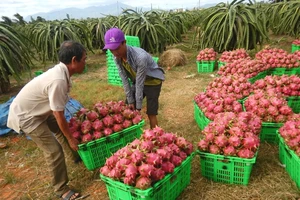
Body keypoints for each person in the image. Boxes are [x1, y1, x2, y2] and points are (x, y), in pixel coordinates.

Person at [7, 40, 86, 200]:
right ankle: (61, 189)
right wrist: (71, 138)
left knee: (61, 130)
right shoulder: (58, 80)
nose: (86, 62)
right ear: (73, 61)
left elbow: (59, 111)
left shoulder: (62, 72)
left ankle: (76, 157)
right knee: (53, 150)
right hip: (27, 116)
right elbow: (58, 115)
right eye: (84, 59)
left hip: (39, 109)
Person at [103, 28, 165, 129]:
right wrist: (131, 101)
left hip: (153, 81)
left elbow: (140, 84)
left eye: (117, 48)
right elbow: (124, 79)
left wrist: (138, 107)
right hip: (139, 79)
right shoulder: (117, 57)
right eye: (111, 49)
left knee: (151, 112)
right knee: (128, 106)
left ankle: (155, 135)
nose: (115, 52)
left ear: (124, 43)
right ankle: (133, 135)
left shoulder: (140, 57)